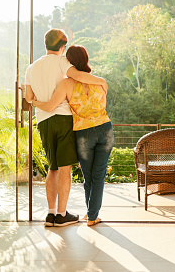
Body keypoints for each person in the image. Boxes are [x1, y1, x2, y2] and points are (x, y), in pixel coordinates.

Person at [25, 29, 108, 227]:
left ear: (46, 44)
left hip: (43, 120)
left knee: (52, 168)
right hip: (62, 119)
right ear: (62, 47)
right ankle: (62, 215)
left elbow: (29, 97)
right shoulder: (61, 61)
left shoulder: (31, 68)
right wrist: (101, 81)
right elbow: (78, 76)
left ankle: (50, 214)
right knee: (64, 169)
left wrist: (36, 102)